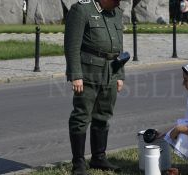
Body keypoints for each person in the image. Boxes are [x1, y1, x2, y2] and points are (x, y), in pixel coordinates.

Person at [64, 0, 125, 174]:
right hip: (88, 72)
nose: (117, 3)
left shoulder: (116, 13)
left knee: (103, 115)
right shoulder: (81, 10)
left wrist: (120, 74)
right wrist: (75, 75)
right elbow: (72, 45)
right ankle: (79, 163)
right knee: (81, 116)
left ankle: (99, 158)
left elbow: (119, 47)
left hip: (111, 72)